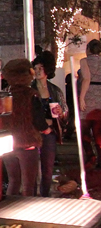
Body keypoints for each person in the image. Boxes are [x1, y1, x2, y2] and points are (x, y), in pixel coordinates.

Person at [2, 59, 50, 196]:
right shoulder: (31, 95)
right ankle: (27, 211)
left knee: (13, 180)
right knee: (28, 184)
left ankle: (10, 208)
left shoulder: (4, 94)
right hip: (27, 143)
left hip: (8, 144)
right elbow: (38, 120)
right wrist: (47, 129)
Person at [32, 51, 68, 197]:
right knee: (33, 168)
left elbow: (65, 111)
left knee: (47, 168)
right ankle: (32, 195)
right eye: (35, 68)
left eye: (41, 68)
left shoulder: (55, 90)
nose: (37, 71)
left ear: (47, 70)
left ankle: (45, 195)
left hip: (50, 133)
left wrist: (61, 112)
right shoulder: (30, 89)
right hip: (34, 132)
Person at [79, 39, 101, 165]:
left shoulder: (84, 61)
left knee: (85, 130)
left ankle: (90, 156)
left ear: (88, 49)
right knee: (99, 131)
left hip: (89, 96)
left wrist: (82, 97)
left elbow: (86, 79)